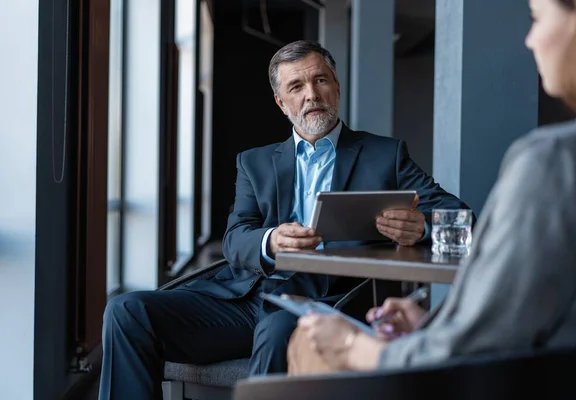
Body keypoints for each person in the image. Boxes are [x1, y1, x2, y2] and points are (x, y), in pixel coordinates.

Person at [98, 40, 470, 399]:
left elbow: (461, 219)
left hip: (330, 299)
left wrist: (422, 226)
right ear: (281, 102)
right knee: (126, 310)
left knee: (277, 330)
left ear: (336, 87)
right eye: (296, 86)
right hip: (247, 298)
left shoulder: (384, 155)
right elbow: (236, 237)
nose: (312, 94)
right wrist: (271, 240)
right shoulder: (254, 162)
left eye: (320, 80)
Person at [287, 0, 576, 375]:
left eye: (536, 18)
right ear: (280, 101)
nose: (529, 40)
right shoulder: (572, 160)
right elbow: (536, 314)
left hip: (483, 380)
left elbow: (479, 344)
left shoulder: (556, 161)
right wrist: (431, 324)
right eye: (296, 86)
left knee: (309, 344)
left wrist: (356, 348)